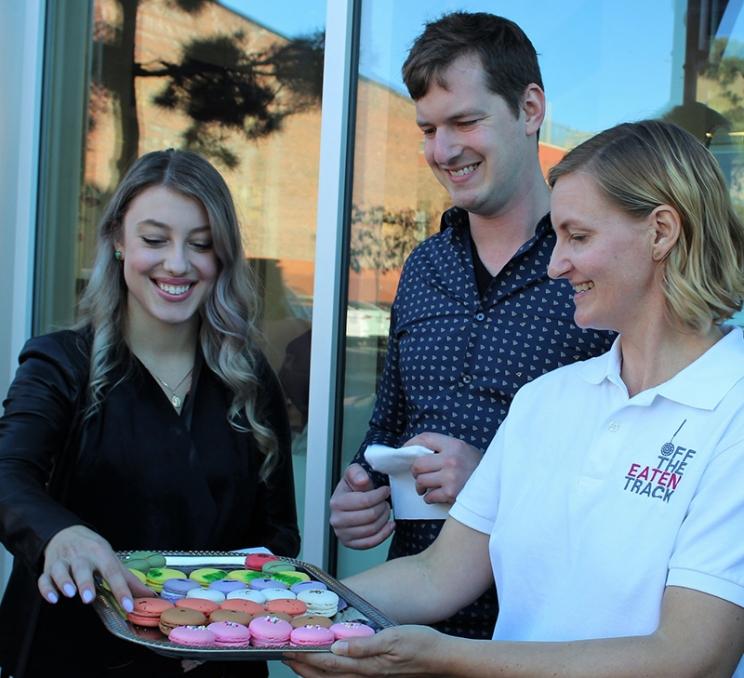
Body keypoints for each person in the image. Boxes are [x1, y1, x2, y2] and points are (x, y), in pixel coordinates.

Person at [286, 119, 744, 677]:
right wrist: (276, 607)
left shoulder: (733, 405)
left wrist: (447, 659)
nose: (555, 265)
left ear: (661, 232)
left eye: (578, 237)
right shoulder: (545, 401)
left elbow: (691, 657)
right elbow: (437, 576)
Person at [330, 11, 613, 639]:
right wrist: (361, 491)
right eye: (428, 128)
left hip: (544, 631)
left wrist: (491, 478)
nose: (443, 149)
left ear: (530, 107)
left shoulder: (593, 268)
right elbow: (390, 422)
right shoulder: (425, 266)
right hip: (407, 618)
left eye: (465, 121)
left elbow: (631, 469)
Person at [0, 149, 300, 677]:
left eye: (201, 244)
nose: (178, 263)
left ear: (222, 256)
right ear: (118, 241)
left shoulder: (248, 379)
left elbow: (276, 541)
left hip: (211, 659)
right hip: (75, 657)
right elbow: (8, 474)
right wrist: (59, 533)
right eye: (155, 240)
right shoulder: (60, 363)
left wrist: (213, 630)